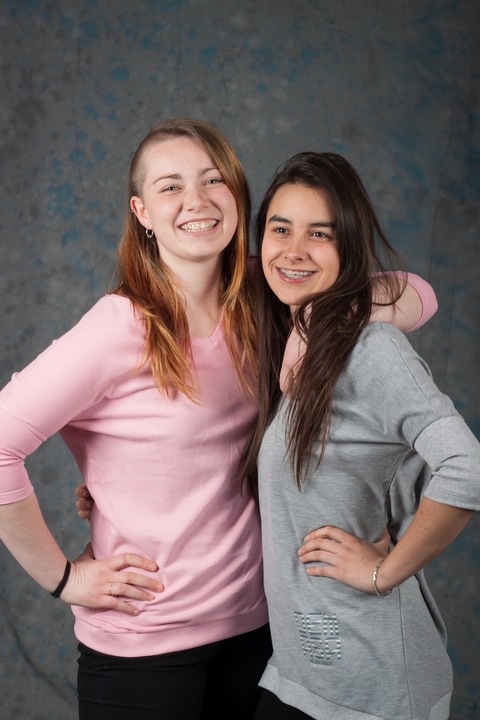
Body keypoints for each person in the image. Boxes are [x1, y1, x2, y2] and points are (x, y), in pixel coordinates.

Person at [0, 119, 435, 720]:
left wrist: (319, 323)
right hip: (146, 650)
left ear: (236, 193)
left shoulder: (269, 291)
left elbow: (415, 292)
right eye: (170, 187)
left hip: (262, 632)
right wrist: (64, 579)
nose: (197, 200)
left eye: (212, 180)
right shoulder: (118, 327)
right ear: (142, 212)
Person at [242, 151, 480, 720]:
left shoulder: (371, 348)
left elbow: (468, 468)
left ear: (348, 246)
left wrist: (383, 572)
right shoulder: (291, 340)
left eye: (320, 233)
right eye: (281, 229)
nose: (294, 249)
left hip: (375, 685)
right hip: (300, 673)